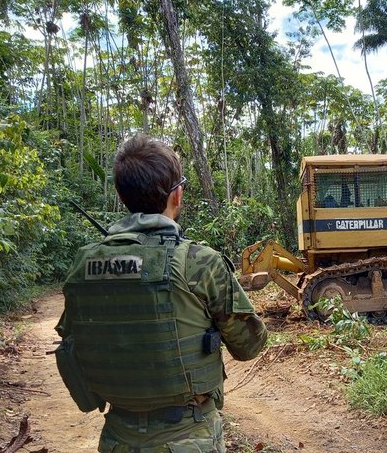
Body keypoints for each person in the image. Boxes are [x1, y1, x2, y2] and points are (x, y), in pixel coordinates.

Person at [55, 134, 267, 453]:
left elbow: (73, 344)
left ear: (119, 194)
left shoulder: (84, 263)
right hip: (190, 436)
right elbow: (250, 345)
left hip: (117, 438)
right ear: (177, 195)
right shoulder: (199, 262)